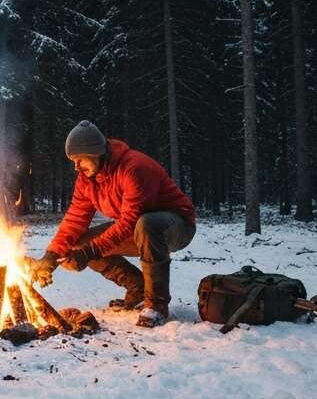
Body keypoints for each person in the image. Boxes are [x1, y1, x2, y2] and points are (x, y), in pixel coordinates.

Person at [29, 120, 196, 327]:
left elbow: (129, 222)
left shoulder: (134, 168)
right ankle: (138, 288)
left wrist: (89, 252)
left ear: (96, 153)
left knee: (146, 224)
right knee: (79, 244)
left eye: (80, 159)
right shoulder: (86, 179)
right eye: (73, 160)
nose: (76, 166)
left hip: (176, 225)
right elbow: (75, 218)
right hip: (138, 229)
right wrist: (51, 256)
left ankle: (156, 305)